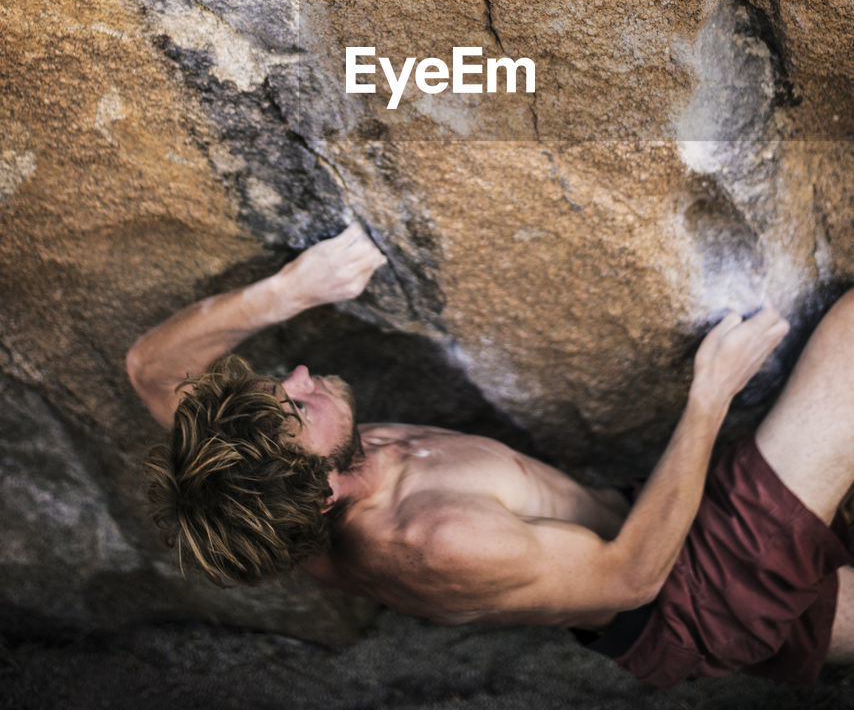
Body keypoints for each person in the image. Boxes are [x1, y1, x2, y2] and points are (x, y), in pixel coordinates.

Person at [126, 223, 854, 689]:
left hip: (648, 519)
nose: (297, 377)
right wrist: (709, 396)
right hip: (690, 593)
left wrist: (288, 292)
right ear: (323, 493)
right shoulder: (436, 540)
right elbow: (630, 577)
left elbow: (151, 370)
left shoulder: (260, 473)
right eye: (297, 407)